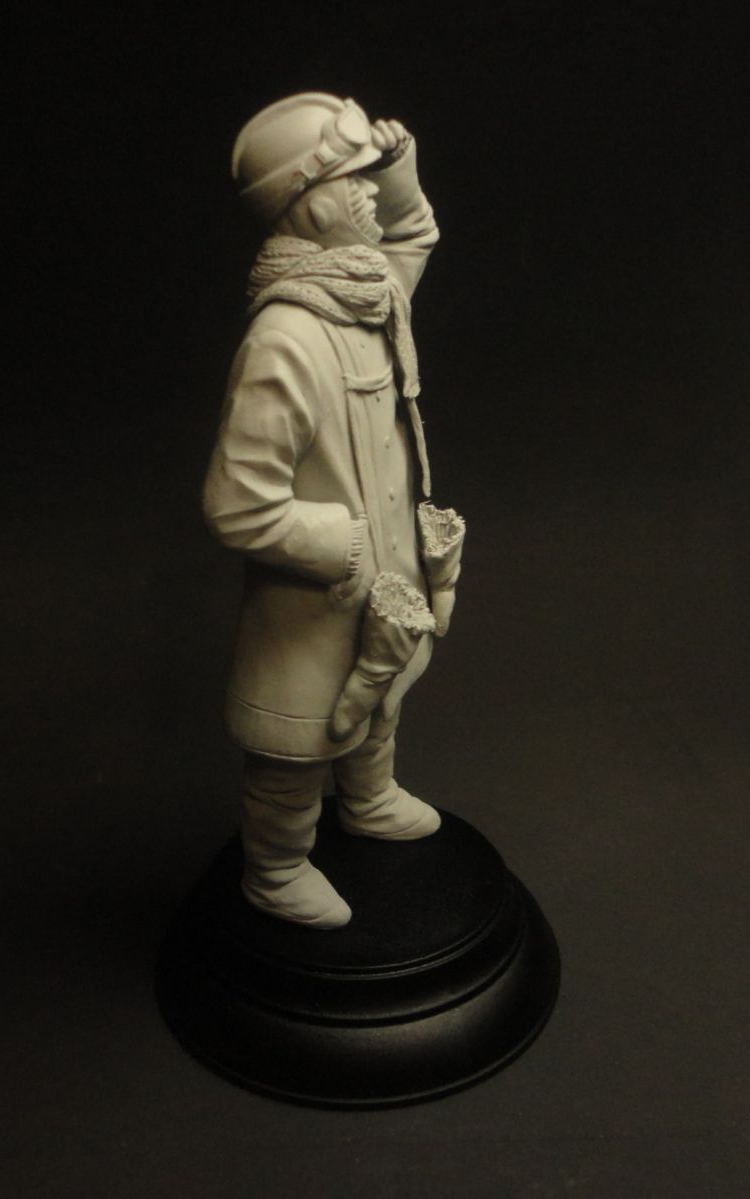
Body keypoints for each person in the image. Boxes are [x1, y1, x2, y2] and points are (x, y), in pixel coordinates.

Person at [203, 93, 464, 929]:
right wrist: (341, 545)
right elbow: (237, 505)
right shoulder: (284, 339)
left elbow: (413, 232)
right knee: (297, 744)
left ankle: (370, 798)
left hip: (389, 576)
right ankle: (276, 867)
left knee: (382, 696)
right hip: (319, 594)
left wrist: (400, 164)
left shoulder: (368, 288)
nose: (370, 196)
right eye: (356, 183)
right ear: (313, 208)